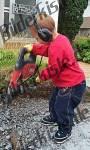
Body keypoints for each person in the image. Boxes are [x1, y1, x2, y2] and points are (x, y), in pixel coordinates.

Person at [21, 13, 86, 144]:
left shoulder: (58, 46)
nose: (37, 40)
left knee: (63, 108)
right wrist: (33, 48)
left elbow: (53, 69)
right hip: (64, 83)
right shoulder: (58, 39)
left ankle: (65, 128)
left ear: (45, 34)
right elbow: (47, 49)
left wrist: (40, 77)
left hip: (73, 85)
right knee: (53, 101)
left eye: (37, 38)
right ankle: (54, 116)